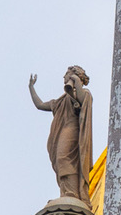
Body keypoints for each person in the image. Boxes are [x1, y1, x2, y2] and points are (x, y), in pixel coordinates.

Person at [29, 65, 94, 203]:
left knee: (65, 158)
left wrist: (76, 82)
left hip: (72, 130)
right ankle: (66, 192)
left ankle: (73, 193)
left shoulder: (83, 94)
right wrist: (31, 88)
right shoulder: (61, 100)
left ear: (74, 75)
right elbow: (40, 105)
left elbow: (83, 100)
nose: (64, 77)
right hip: (62, 131)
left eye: (66, 74)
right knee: (60, 160)